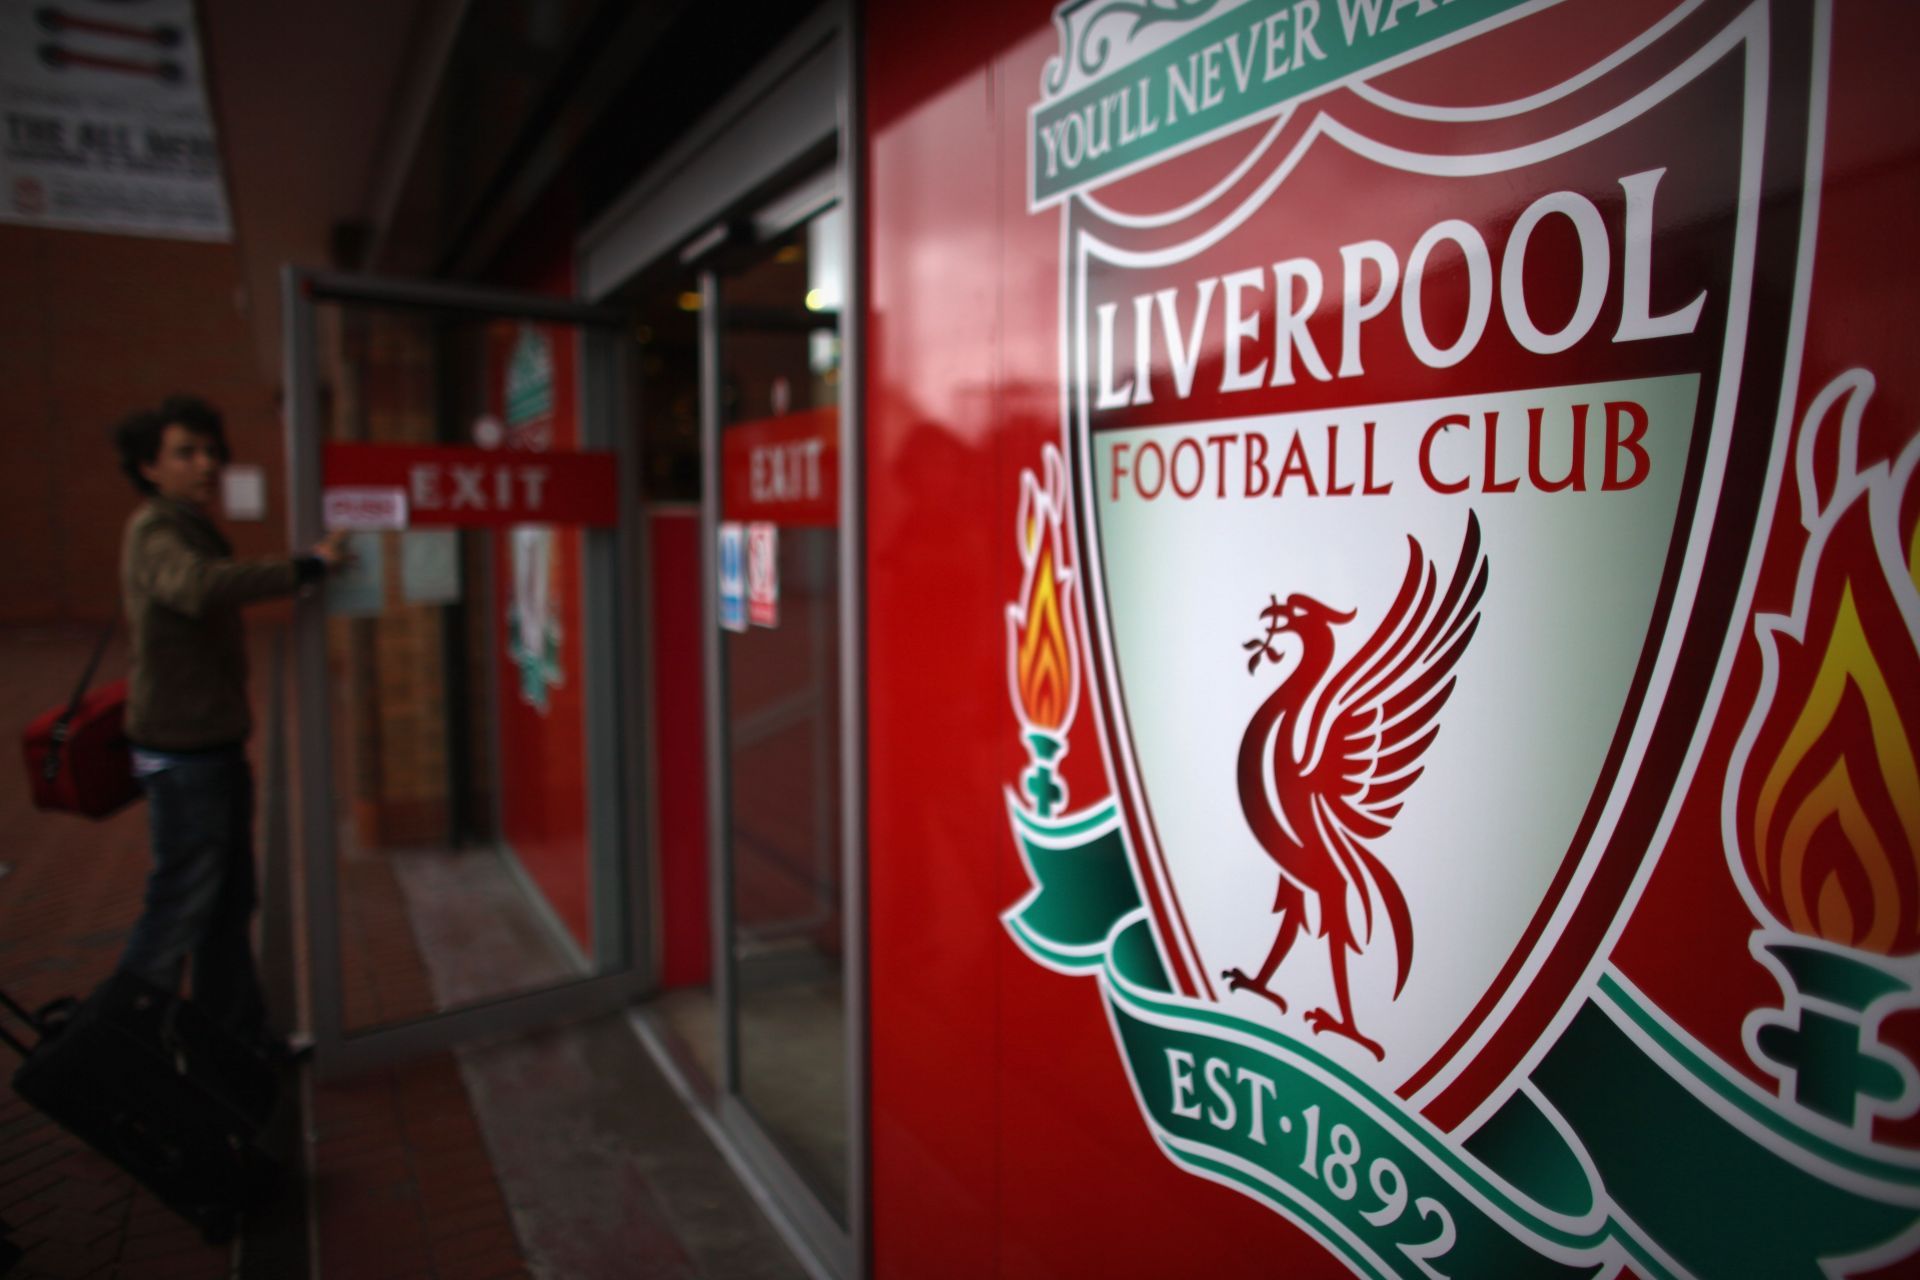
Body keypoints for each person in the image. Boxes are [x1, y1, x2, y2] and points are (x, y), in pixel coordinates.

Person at [112, 394, 346, 1054]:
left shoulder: (184, 523)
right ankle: (120, 1049)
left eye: (212, 450)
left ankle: (233, 1040)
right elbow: (197, 586)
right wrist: (306, 567)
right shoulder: (156, 530)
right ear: (148, 466)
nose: (207, 463)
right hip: (184, 756)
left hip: (209, 745)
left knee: (225, 905)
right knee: (183, 904)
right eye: (186, 452)